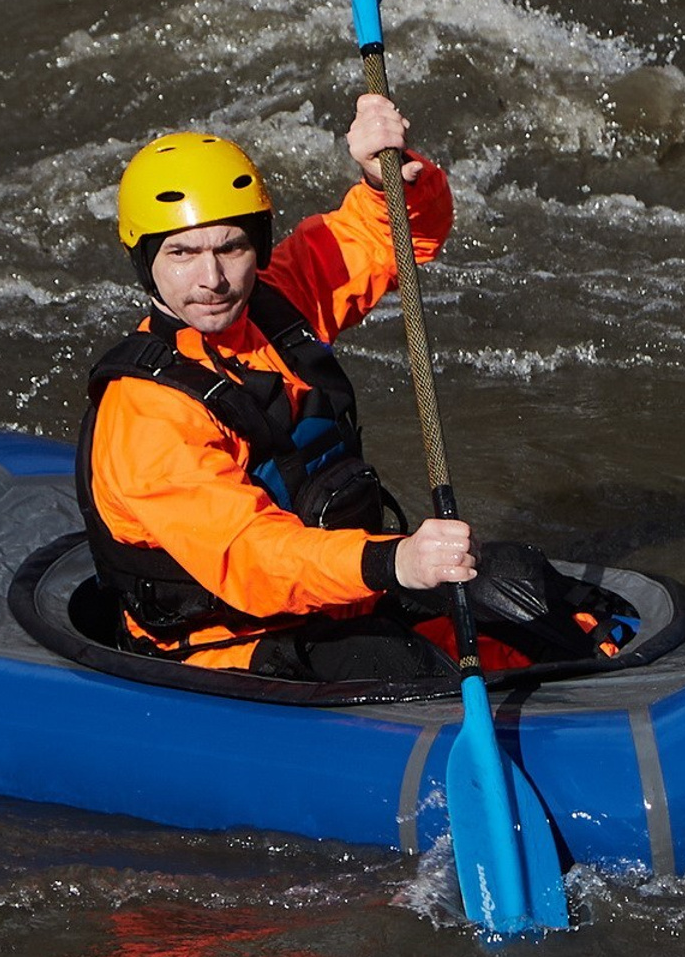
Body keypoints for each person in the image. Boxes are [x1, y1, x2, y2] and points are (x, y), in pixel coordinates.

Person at [76, 95, 613, 683]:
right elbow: (253, 557)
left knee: (526, 588)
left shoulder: (276, 300)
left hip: (337, 591)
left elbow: (395, 242)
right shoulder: (148, 412)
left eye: (231, 247)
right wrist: (394, 560)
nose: (212, 279)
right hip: (230, 640)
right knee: (394, 668)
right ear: (145, 258)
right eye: (182, 254)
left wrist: (389, 179)